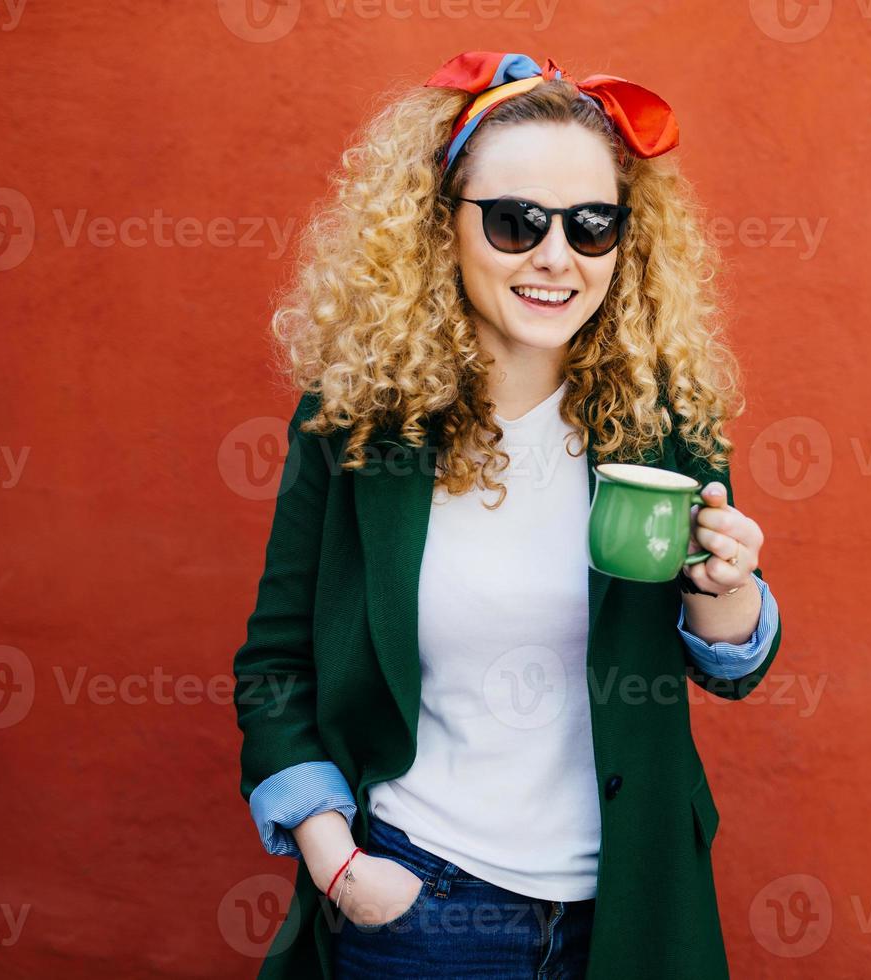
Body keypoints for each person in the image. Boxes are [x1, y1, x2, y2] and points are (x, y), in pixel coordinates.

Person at [231, 50, 784, 980]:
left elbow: (730, 665)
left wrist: (730, 592)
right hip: (422, 914)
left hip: (633, 911)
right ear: (439, 229)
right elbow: (277, 662)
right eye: (516, 221)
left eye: (593, 225)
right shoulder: (355, 427)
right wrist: (340, 865)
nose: (556, 257)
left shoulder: (663, 419)